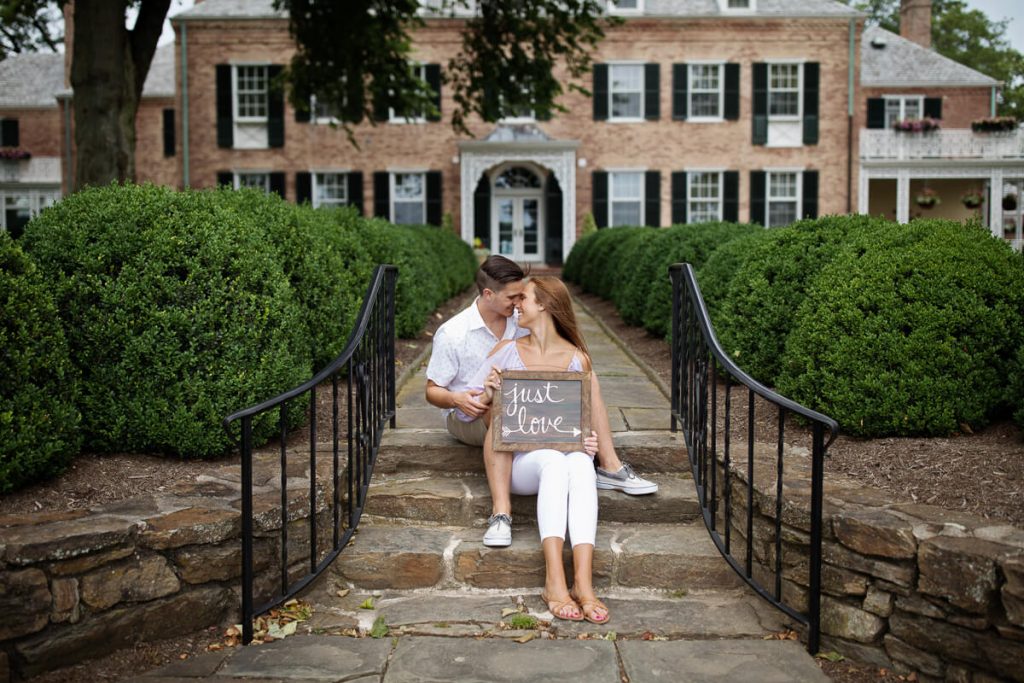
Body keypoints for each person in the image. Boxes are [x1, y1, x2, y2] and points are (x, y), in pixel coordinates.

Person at [428, 258, 657, 549]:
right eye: (513, 297)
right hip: (467, 413)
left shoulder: (518, 317)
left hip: (517, 412)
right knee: (501, 404)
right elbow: (431, 391)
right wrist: (457, 399)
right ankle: (501, 514)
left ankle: (610, 466)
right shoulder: (454, 333)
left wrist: (578, 431)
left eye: (522, 296)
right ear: (489, 295)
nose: (518, 303)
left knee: (586, 377)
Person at [467, 276, 621, 623]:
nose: (516, 305)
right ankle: (554, 580)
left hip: (565, 460)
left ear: (545, 305)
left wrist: (589, 442)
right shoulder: (506, 352)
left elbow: (579, 425)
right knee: (553, 460)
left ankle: (583, 582)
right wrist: (490, 395)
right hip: (521, 464)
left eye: (524, 299)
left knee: (581, 463)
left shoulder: (577, 360)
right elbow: (485, 421)